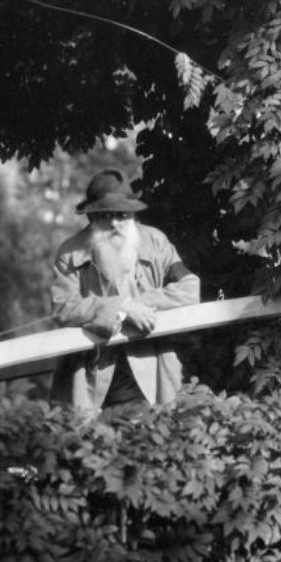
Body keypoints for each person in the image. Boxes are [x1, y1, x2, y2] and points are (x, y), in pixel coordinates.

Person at [49, 169, 200, 414]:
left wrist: (140, 304)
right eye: (105, 215)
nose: (114, 223)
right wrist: (121, 307)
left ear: (133, 213)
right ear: (91, 217)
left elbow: (190, 288)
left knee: (159, 439)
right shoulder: (70, 253)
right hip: (91, 378)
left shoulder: (156, 242)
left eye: (122, 214)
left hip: (152, 371)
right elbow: (62, 308)